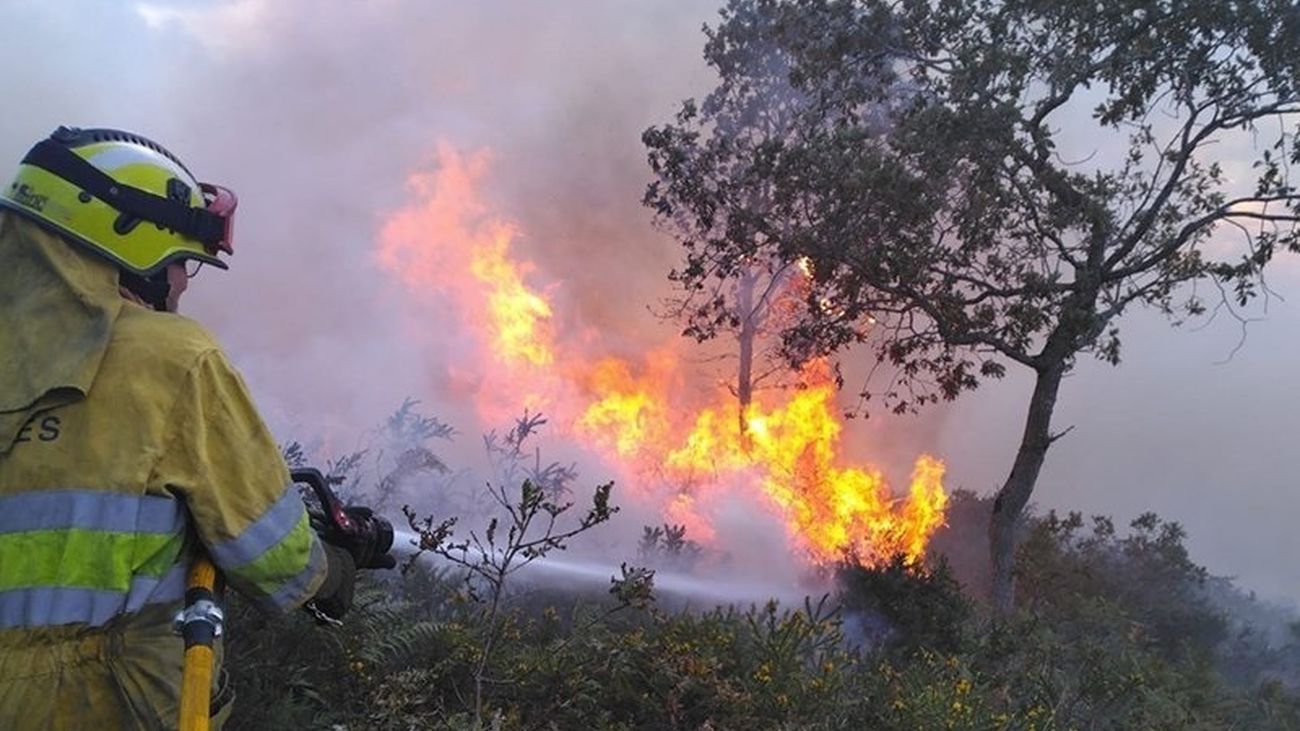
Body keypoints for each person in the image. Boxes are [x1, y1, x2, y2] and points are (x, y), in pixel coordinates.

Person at [0, 126, 362, 729]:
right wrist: (336, 571)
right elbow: (271, 553)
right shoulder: (170, 360)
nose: (183, 283)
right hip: (104, 703)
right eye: (180, 263)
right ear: (130, 251)